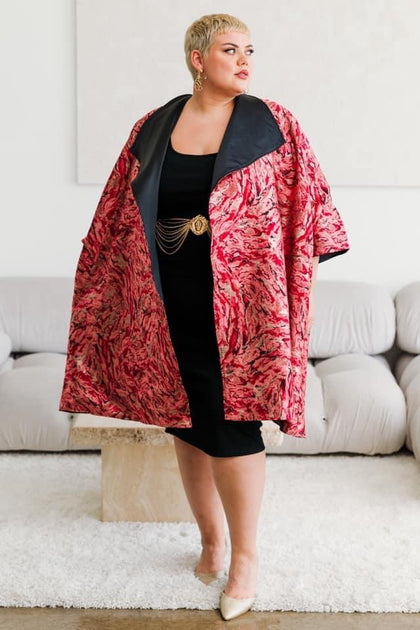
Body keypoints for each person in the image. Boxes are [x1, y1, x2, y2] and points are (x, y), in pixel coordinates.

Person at [59, 13, 350, 621]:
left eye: (250, 51)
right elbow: (117, 210)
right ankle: (211, 542)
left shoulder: (273, 124)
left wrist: (301, 286)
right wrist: (106, 281)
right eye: (230, 50)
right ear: (198, 58)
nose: (245, 61)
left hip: (245, 301)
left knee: (235, 423)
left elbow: (310, 205)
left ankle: (245, 558)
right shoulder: (154, 126)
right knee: (185, 420)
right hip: (167, 295)